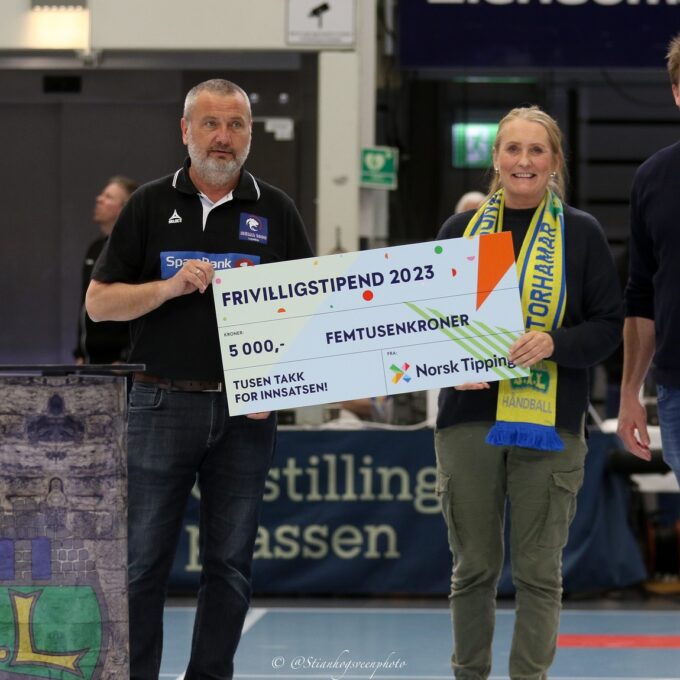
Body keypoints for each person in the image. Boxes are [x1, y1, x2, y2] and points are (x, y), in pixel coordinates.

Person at [85, 78, 313, 680]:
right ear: (185, 131)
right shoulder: (148, 204)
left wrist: (278, 384)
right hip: (159, 405)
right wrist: (167, 288)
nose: (223, 137)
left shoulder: (277, 210)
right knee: (141, 564)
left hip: (246, 415)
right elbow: (99, 304)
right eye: (210, 123)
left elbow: (309, 315)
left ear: (251, 135)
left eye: (236, 125)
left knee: (230, 566)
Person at [434, 106, 622, 680]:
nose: (523, 161)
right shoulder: (459, 232)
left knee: (539, 573)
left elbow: (608, 327)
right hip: (469, 417)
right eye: (512, 149)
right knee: (473, 568)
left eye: (536, 150)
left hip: (551, 421)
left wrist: (555, 342)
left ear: (555, 161)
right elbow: (424, 328)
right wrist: (448, 361)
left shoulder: (581, 233)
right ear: (496, 158)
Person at [617, 33, 680, 486]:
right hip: (677, 386)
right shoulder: (652, 179)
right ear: (676, 92)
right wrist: (629, 392)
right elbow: (641, 295)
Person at [73, 176, 138, 363]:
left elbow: (139, 304)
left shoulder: (135, 249)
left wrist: (127, 357)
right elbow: (85, 303)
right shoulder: (94, 248)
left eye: (108, 197)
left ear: (123, 208)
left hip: (121, 364)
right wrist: (80, 353)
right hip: (90, 363)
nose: (99, 199)